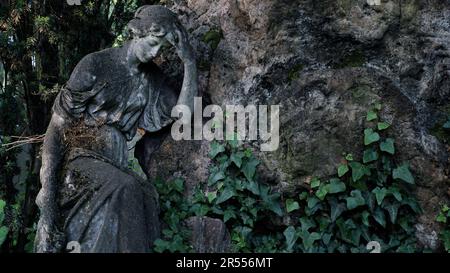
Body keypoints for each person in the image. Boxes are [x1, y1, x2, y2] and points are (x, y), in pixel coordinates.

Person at [34, 5, 197, 253]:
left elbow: (184, 116)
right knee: (125, 187)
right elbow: (56, 130)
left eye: (162, 48)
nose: (155, 53)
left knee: (146, 196)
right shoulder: (96, 65)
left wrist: (189, 61)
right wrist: (47, 197)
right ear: (137, 32)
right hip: (82, 160)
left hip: (115, 165)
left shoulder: (152, 79)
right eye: (153, 42)